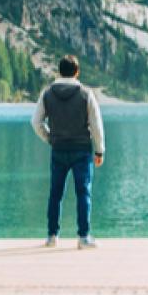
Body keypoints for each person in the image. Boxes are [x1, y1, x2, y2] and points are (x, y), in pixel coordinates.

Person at [31, 55, 104, 248]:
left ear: (59, 71)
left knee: (55, 193)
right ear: (77, 72)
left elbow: (36, 122)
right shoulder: (86, 93)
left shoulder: (47, 93)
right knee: (83, 193)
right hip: (82, 151)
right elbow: (96, 125)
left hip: (58, 149)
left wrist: (50, 138)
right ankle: (83, 237)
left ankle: (52, 236)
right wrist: (99, 151)